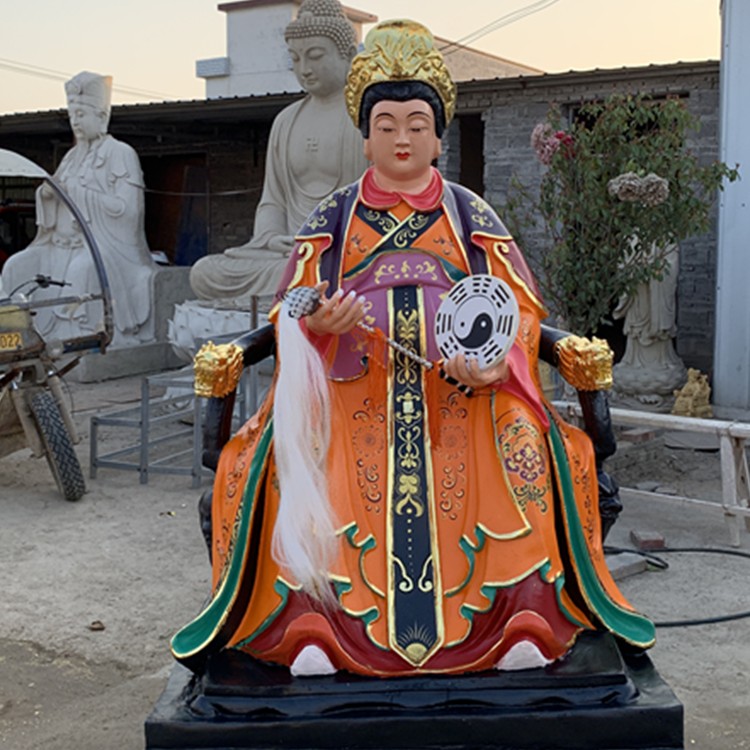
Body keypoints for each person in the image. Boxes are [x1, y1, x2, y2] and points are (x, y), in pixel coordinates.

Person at [172, 20, 654, 677]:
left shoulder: (470, 216)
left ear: (438, 136)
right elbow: (294, 305)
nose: (402, 138)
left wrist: (494, 365)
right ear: (365, 136)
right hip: (352, 388)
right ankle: (310, 621)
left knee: (528, 451)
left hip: (462, 391)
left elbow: (518, 310)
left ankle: (522, 614)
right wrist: (320, 325)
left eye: (417, 124)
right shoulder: (333, 220)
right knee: (290, 463)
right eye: (388, 125)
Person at [188, 0, 370, 303]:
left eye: (315, 56)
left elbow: (376, 202)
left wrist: (325, 243)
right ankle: (295, 285)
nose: (304, 69)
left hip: (343, 251)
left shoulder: (367, 117)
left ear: (348, 55)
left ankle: (303, 284)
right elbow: (272, 201)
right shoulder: (286, 121)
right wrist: (272, 239)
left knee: (333, 270)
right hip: (286, 255)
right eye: (295, 59)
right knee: (205, 272)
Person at [1, 71, 156, 345]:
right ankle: (17, 339)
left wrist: (81, 195)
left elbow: (128, 211)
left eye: (82, 114)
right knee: (16, 266)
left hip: (101, 249)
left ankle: (83, 341)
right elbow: (55, 194)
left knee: (82, 271)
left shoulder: (121, 153)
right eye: (72, 115)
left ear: (102, 116)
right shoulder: (71, 157)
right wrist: (47, 195)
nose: (76, 122)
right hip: (56, 247)